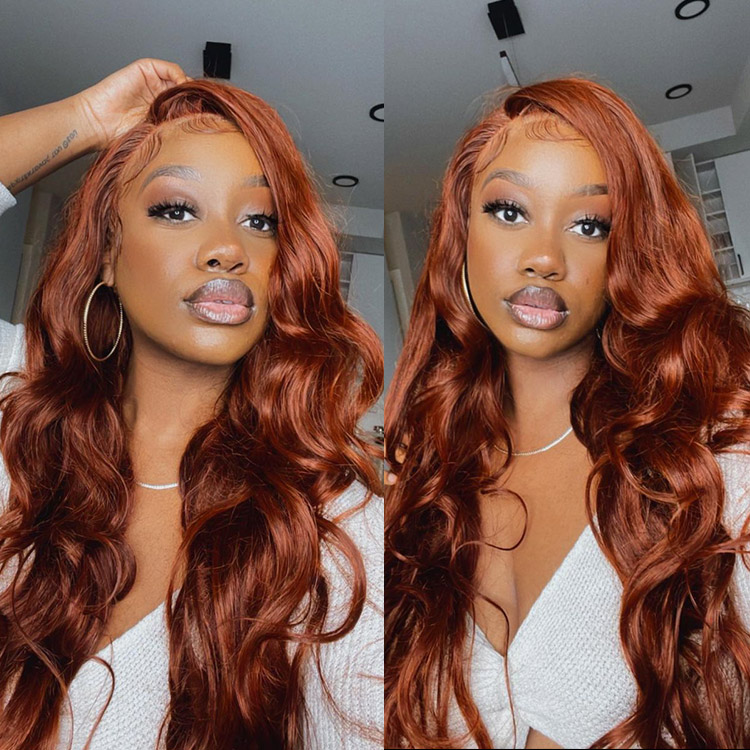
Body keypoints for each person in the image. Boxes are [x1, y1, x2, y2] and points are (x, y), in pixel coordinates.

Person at [0, 59, 383, 749]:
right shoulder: (16, 410)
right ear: (107, 255)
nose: (228, 249)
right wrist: (84, 120)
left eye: (260, 220)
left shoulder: (337, 527)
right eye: (176, 209)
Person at [385, 76, 750, 749]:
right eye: (509, 211)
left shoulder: (714, 465)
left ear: (628, 251)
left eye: (589, 225)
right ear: (461, 233)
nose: (544, 259)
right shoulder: (419, 487)